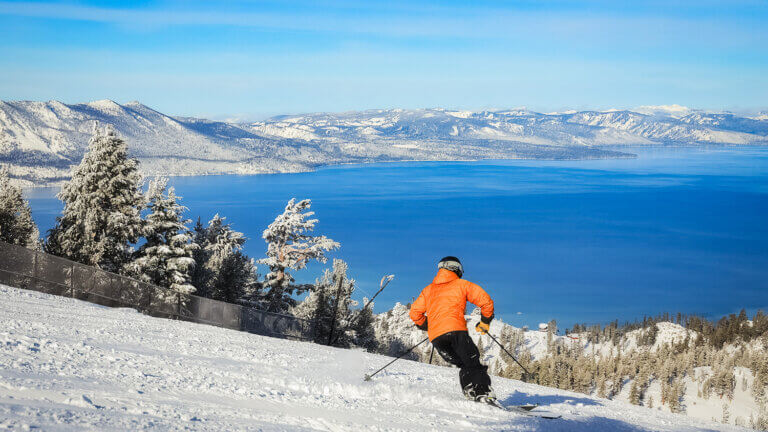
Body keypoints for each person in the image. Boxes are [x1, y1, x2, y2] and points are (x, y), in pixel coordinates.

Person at [409, 256, 496, 403]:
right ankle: (483, 392)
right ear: (456, 269)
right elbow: (485, 301)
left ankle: (471, 390)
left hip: (437, 338)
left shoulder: (428, 290)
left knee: (464, 363)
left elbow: (414, 313)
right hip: (456, 332)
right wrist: (485, 321)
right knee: (472, 360)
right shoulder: (462, 285)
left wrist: (428, 325)